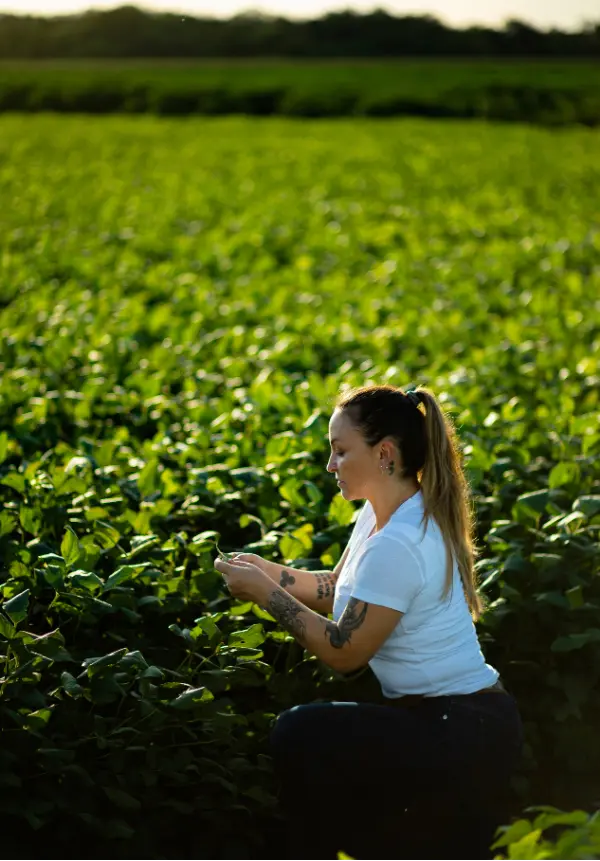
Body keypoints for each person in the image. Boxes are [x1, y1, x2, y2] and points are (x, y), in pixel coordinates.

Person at [224, 384, 524, 861]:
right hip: (443, 722)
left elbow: (345, 651)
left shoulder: (399, 542)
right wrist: (266, 571)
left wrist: (264, 593)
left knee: (300, 733)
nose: (330, 465)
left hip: (463, 731)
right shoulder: (382, 512)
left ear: (384, 454)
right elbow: (336, 588)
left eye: (340, 451)